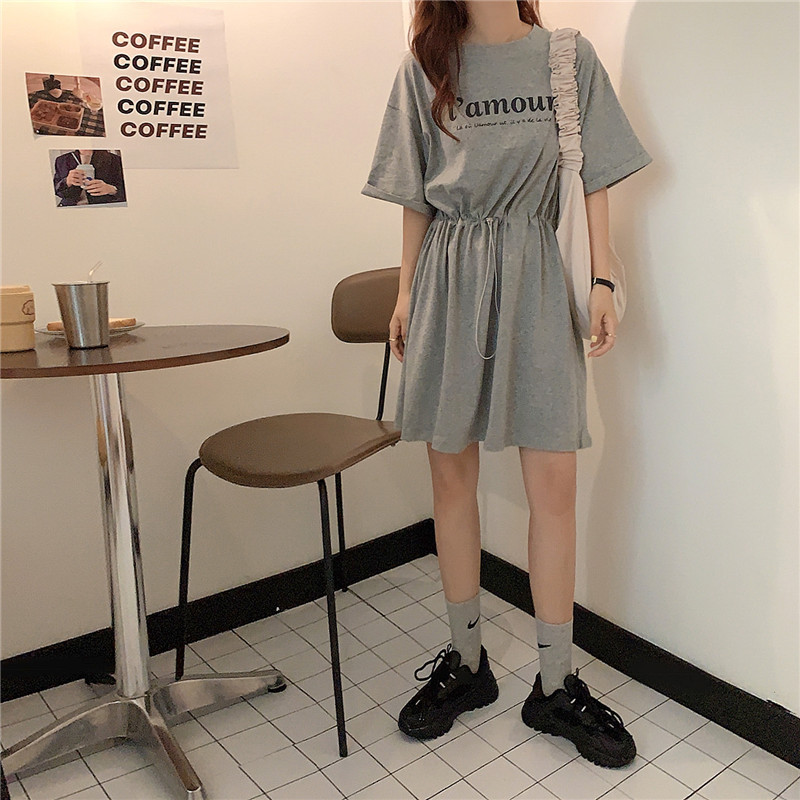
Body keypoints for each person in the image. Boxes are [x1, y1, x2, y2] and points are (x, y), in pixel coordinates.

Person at [360, 0, 652, 770]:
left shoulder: (566, 58)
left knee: (554, 482)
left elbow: (594, 173)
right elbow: (415, 193)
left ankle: (554, 684)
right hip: (447, 278)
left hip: (533, 271)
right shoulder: (426, 64)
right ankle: (466, 664)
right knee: (450, 479)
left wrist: (602, 274)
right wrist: (405, 291)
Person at [53, 149, 126, 207]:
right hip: (71, 208)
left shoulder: (115, 159)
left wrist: (111, 189)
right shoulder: (62, 160)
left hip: (104, 207)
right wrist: (67, 182)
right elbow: (56, 191)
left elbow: (127, 191)